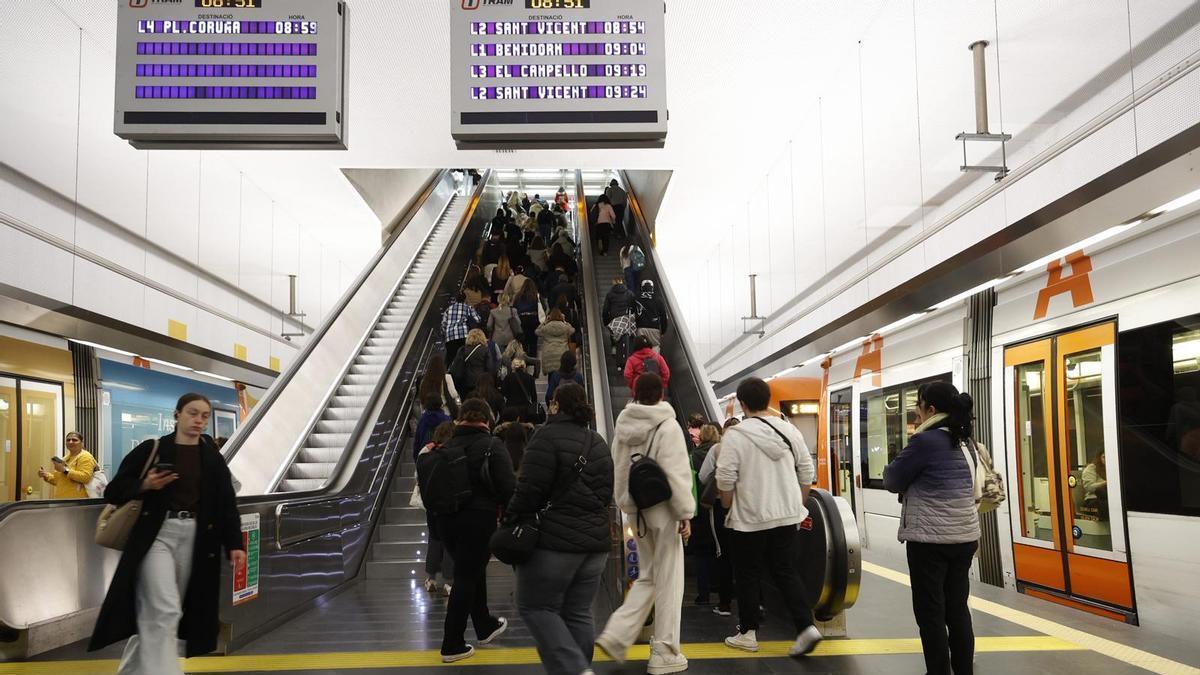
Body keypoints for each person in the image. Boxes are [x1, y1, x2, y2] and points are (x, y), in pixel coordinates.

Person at [89, 393, 246, 674]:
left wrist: (234, 543)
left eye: (204, 416)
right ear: (177, 415)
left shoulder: (211, 458)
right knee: (166, 609)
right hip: (156, 536)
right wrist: (145, 484)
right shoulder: (154, 449)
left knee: (157, 613)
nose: (199, 420)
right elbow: (113, 491)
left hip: (194, 538)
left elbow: (226, 504)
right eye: (192, 413)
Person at [506, 383, 613, 675]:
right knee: (577, 612)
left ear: (555, 405)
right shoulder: (598, 442)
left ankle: (577, 669)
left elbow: (529, 489)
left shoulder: (545, 437)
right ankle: (580, 666)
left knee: (535, 607)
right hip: (595, 546)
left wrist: (511, 517)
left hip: (555, 544)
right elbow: (606, 494)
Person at [596, 373, 693, 675]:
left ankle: (617, 634)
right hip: (664, 511)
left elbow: (619, 470)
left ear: (635, 394)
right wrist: (684, 513)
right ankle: (664, 651)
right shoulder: (668, 425)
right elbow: (677, 475)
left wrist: (626, 504)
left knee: (649, 575)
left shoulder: (623, 426)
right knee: (670, 580)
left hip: (636, 512)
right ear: (662, 393)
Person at [716, 377, 820, 657]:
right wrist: (796, 503)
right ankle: (806, 627)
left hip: (748, 519)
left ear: (742, 403)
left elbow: (725, 479)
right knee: (786, 571)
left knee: (747, 574)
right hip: (786, 517)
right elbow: (806, 471)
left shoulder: (735, 436)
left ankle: (747, 633)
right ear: (767, 399)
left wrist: (727, 506)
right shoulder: (789, 430)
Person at [883, 381, 980, 675]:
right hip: (964, 538)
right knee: (957, 609)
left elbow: (891, 480)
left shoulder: (924, 442)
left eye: (918, 406)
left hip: (930, 541)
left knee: (931, 613)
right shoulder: (966, 441)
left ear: (931, 409)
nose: (916, 412)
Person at [431, 399, 516, 663]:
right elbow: (508, 488)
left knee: (471, 569)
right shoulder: (492, 445)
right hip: (477, 520)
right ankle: (452, 643)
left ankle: (484, 624)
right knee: (466, 577)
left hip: (446, 521)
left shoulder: (448, 444)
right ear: (486, 420)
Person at [698, 420, 738, 617]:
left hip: (721, 505)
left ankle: (725, 603)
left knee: (723, 553)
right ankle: (756, 604)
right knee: (746, 555)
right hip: (745, 508)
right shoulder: (748, 449)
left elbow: (704, 477)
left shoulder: (716, 449)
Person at [419, 421, 457, 596]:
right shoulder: (453, 453)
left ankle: (431, 578)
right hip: (450, 504)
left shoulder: (426, 451)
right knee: (450, 541)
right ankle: (449, 582)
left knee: (434, 539)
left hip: (431, 504)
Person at [689, 423, 721, 606]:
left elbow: (698, 479)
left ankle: (703, 594)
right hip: (718, 506)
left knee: (701, 553)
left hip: (700, 508)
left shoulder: (692, 456)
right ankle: (720, 588)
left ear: (701, 437)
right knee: (719, 550)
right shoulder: (723, 451)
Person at [38, 431, 98, 499]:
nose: (70, 442)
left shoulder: (85, 457)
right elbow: (58, 481)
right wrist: (46, 475)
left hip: (77, 501)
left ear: (82, 443)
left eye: (74, 440)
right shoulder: (66, 458)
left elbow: (85, 477)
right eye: (68, 440)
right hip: (62, 500)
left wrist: (64, 470)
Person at [536, 308, 574, 383]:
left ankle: (551, 391)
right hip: (561, 354)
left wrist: (545, 322)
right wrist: (564, 321)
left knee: (551, 379)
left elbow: (537, 331)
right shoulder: (565, 327)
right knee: (561, 378)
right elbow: (572, 330)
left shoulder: (546, 327)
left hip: (549, 355)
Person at [449, 329, 492, 395]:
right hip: (481, 383)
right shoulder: (485, 350)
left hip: (465, 383)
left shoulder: (462, 350)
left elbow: (456, 366)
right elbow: (489, 367)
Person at [602, 276, 635, 359]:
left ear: (613, 282)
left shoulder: (610, 294)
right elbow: (634, 306)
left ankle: (614, 347)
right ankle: (629, 352)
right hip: (626, 319)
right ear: (621, 282)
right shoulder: (629, 293)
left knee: (613, 333)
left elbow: (605, 310)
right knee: (627, 334)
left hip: (614, 319)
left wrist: (606, 322)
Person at [419, 352, 460, 418]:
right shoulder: (447, 377)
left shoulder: (424, 380)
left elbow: (422, 398)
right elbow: (453, 394)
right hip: (445, 413)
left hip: (428, 415)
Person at [443, 293, 480, 363]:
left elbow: (444, 324)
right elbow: (477, 319)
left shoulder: (448, 309)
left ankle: (450, 371)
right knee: (463, 357)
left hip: (450, 336)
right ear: (465, 299)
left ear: (456, 300)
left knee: (451, 357)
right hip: (463, 335)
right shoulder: (468, 307)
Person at [501, 358, 540, 423]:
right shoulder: (530, 378)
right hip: (525, 409)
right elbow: (534, 396)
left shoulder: (508, 377)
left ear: (513, 366)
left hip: (511, 408)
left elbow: (503, 392)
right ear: (523, 366)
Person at [414, 395, 452, 462]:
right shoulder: (447, 419)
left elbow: (418, 440)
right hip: (444, 455)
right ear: (440, 404)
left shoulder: (423, 420)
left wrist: (416, 458)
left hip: (426, 455)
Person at [635, 280, 668, 350]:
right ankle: (654, 361)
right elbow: (663, 316)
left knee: (641, 349)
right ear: (652, 288)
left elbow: (633, 313)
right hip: (654, 328)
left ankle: (642, 361)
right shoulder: (658, 299)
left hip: (641, 327)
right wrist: (663, 331)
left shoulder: (637, 299)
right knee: (655, 347)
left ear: (642, 288)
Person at [515, 279, 542, 357]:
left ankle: (524, 361)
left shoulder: (518, 296)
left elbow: (514, 307)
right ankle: (533, 361)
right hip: (533, 320)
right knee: (533, 342)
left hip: (522, 320)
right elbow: (541, 307)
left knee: (524, 342)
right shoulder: (536, 296)